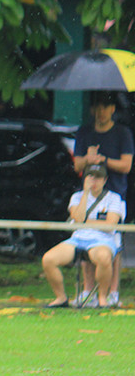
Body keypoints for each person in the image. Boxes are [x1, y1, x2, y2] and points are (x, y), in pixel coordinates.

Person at [71, 92, 133, 307]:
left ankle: (112, 292)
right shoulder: (84, 132)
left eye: (105, 107)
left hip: (114, 194)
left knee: (113, 242)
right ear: (92, 110)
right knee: (86, 237)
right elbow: (77, 165)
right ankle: (87, 290)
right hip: (89, 194)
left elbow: (126, 165)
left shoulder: (122, 133)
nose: (101, 112)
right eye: (97, 107)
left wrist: (103, 160)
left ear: (113, 109)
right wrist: (88, 159)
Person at [42, 163, 126, 309]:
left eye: (98, 178)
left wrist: (85, 222)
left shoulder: (114, 198)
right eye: (90, 177)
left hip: (103, 240)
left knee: (103, 257)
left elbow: (110, 225)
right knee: (48, 259)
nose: (94, 181)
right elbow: (78, 218)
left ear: (105, 180)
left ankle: (102, 298)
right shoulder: (77, 197)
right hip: (78, 238)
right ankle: (61, 298)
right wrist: (86, 193)